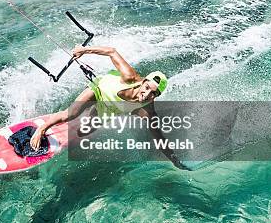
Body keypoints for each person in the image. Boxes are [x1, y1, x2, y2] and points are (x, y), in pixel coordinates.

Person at [30, 46, 182, 167]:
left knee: (84, 131)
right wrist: (83, 50)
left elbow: (159, 137)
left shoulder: (148, 108)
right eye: (147, 87)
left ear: (156, 96)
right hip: (99, 90)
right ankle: (42, 128)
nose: (147, 94)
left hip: (110, 109)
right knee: (71, 114)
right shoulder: (130, 77)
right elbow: (112, 51)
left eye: (153, 93)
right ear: (143, 82)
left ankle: (88, 115)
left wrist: (174, 160)